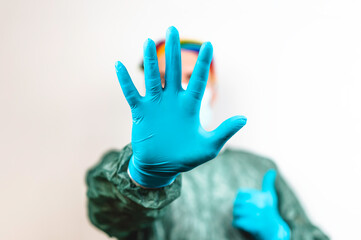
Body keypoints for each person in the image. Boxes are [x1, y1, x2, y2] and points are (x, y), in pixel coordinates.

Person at [86, 26, 328, 240]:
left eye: (191, 79)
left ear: (214, 92)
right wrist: (142, 178)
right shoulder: (122, 169)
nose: (179, 89)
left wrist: (280, 234)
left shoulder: (259, 168)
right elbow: (107, 217)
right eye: (163, 80)